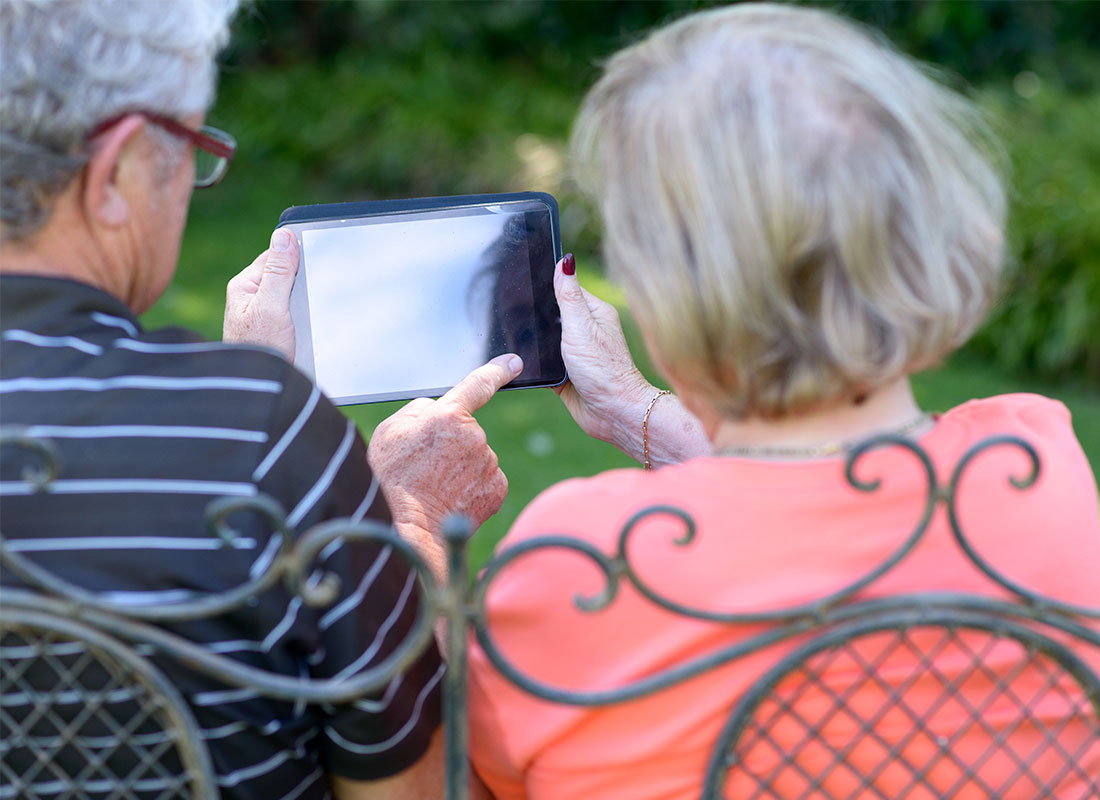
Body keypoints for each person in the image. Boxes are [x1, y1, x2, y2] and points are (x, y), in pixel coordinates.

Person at [461, 4, 1100, 798]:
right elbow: (829, 526)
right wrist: (634, 408)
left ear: (670, 288)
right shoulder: (1034, 469)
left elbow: (438, 777)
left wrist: (410, 530)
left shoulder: (583, 560)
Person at [0, 1, 510, 798]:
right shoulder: (263, 431)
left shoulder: (253, 424)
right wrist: (403, 520)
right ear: (118, 170)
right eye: (192, 150)